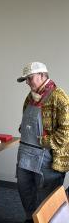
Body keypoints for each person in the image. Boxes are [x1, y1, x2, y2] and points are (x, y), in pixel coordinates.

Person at [16, 62, 69, 223]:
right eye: (25, 79)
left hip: (48, 158)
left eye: (29, 78)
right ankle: (30, 219)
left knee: (47, 199)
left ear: (42, 75)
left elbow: (66, 131)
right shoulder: (30, 97)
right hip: (25, 153)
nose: (27, 82)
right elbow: (26, 121)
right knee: (25, 190)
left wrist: (45, 141)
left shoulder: (59, 97)